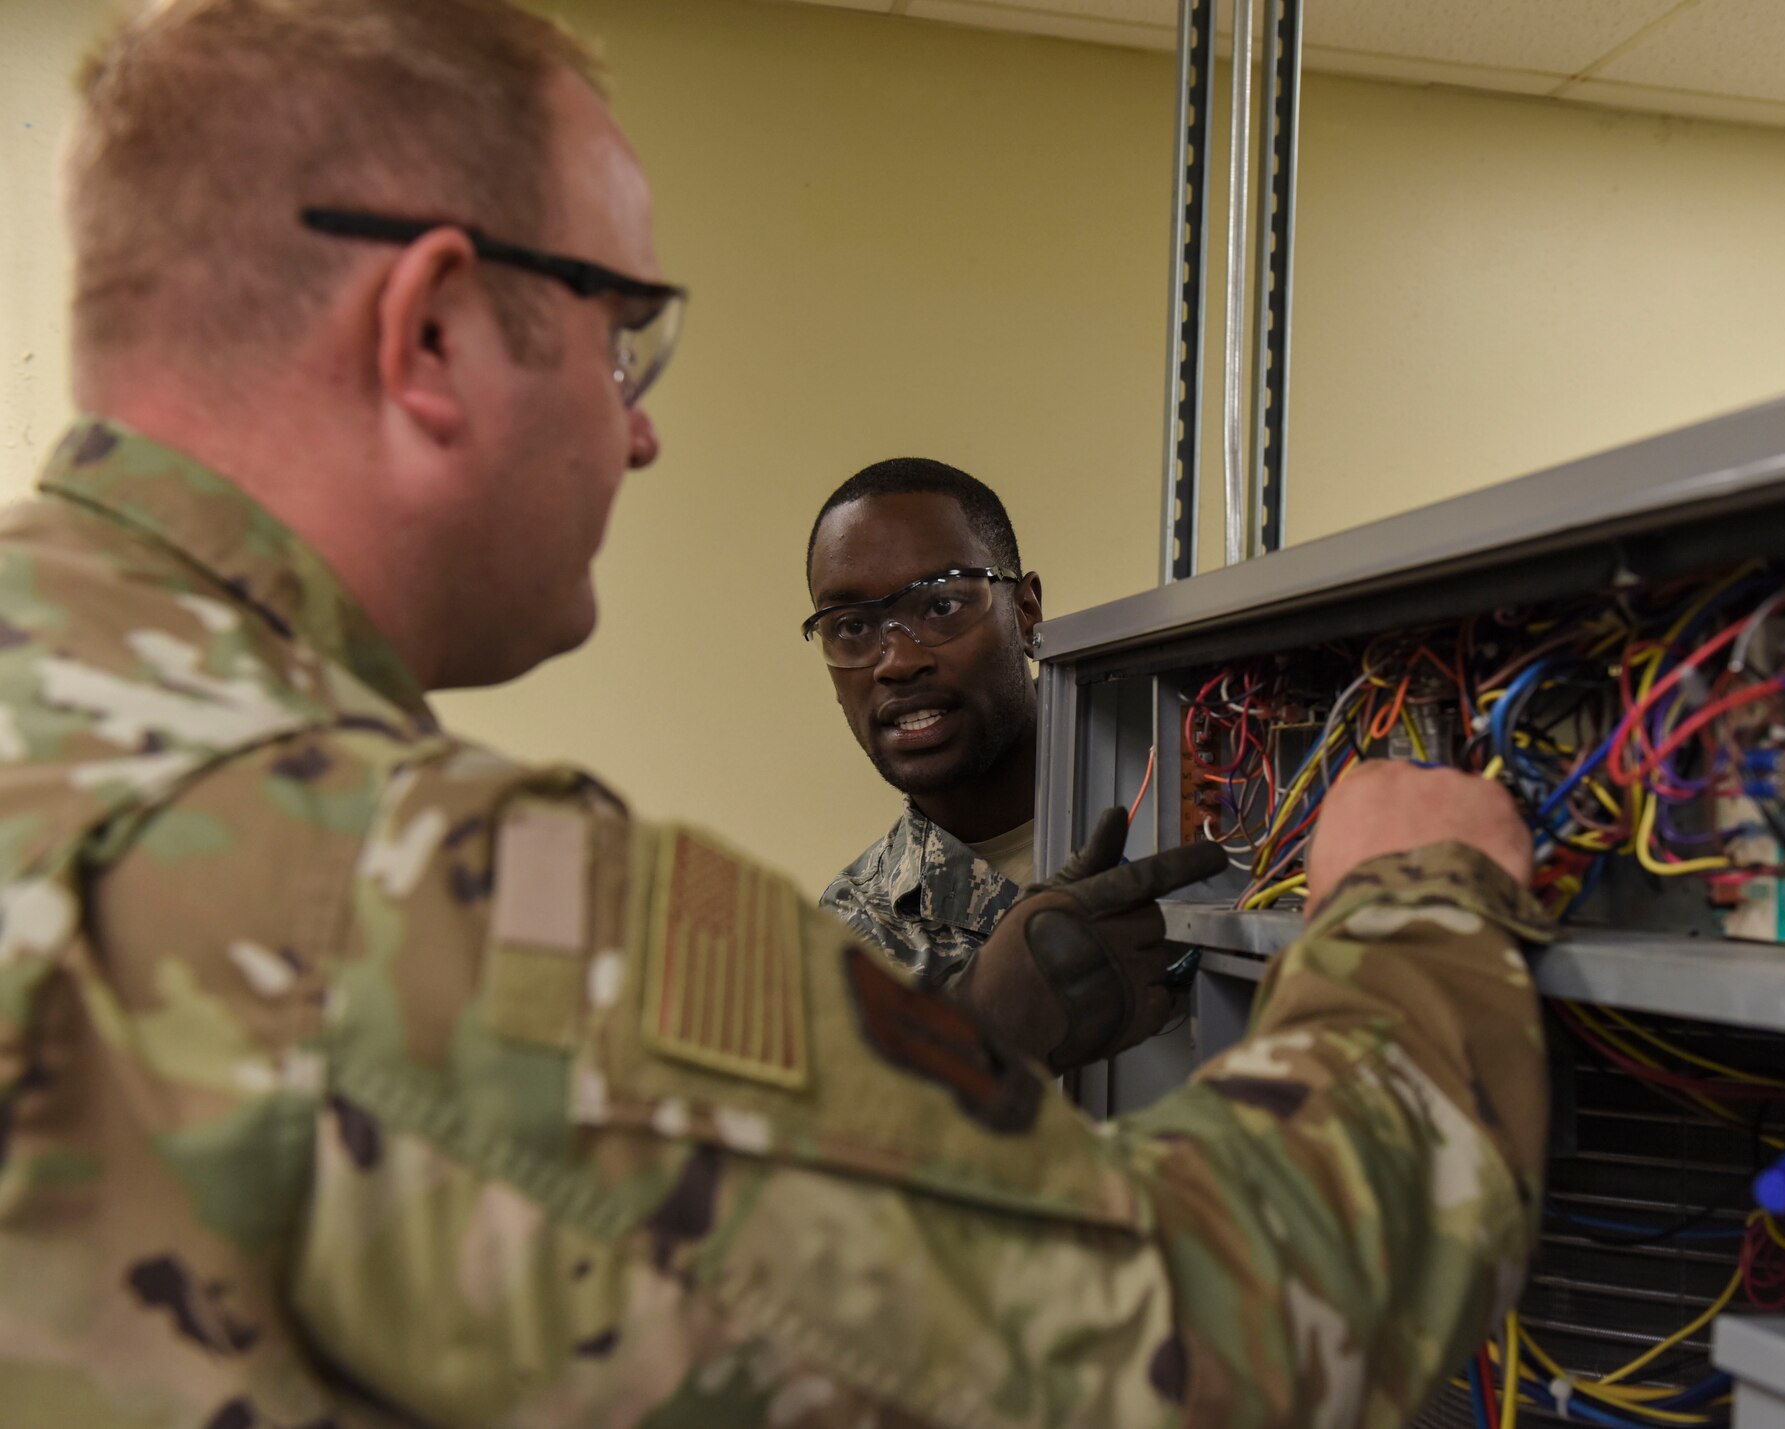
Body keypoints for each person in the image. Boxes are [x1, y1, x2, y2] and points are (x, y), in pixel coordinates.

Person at [0, 4, 1554, 1427]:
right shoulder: (407, 902)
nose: (644, 431)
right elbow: (1204, 1347)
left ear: (1023, 604)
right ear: (430, 332)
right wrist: (1412, 911)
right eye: (623, 336)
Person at [806, 459, 1041, 986]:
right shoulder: (850, 945)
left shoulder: (1195, 791)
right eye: (851, 626)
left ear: (1027, 612)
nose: (897, 661)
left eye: (939, 605)